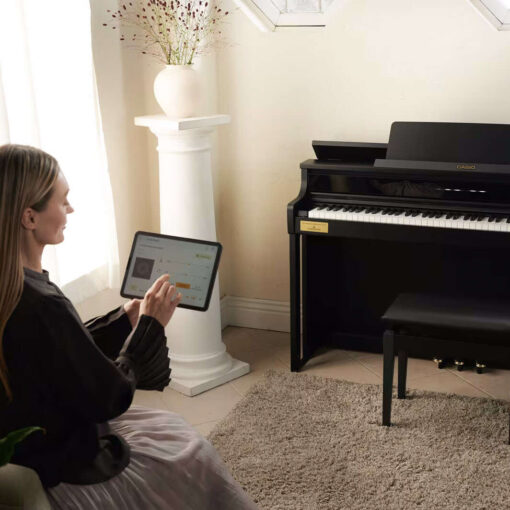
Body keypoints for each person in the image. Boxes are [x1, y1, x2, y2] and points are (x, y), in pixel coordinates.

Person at [0, 144, 258, 509]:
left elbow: (58, 350)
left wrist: (124, 320)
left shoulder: (15, 288)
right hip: (66, 462)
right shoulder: (43, 303)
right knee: (192, 451)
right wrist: (150, 325)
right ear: (29, 218)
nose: (70, 209)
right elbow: (109, 397)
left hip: (32, 445)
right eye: (63, 201)